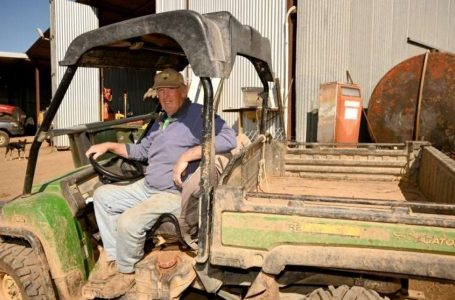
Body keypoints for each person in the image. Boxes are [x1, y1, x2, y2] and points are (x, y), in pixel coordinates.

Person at [82, 68, 236, 299]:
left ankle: (126, 274)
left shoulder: (198, 114)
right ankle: (115, 259)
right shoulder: (163, 119)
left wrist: (188, 155)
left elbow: (228, 138)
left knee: (128, 222)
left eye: (171, 90)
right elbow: (142, 150)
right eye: (161, 91)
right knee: (103, 196)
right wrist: (110, 146)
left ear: (183, 91)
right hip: (148, 186)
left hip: (172, 194)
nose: (165, 96)